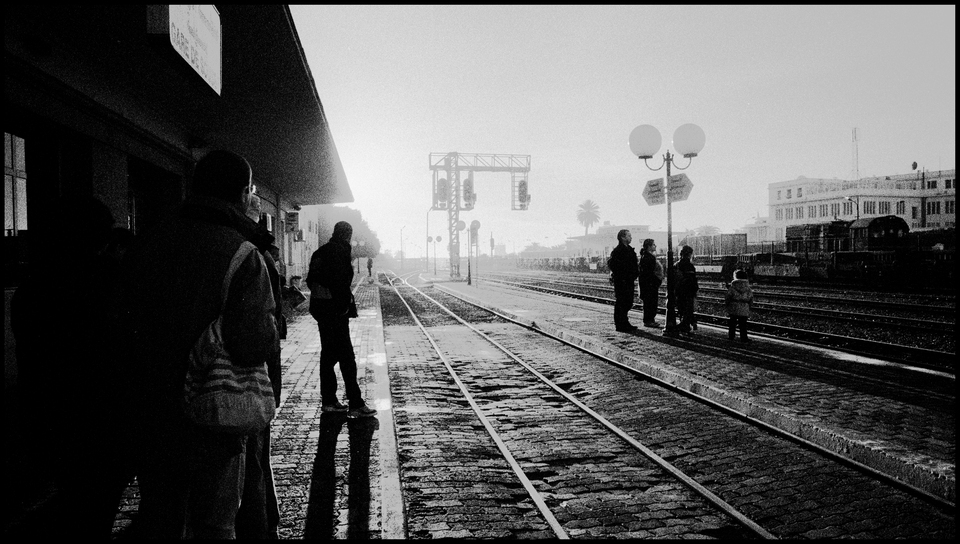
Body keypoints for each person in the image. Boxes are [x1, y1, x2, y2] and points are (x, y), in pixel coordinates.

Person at [114, 149, 278, 538]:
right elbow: (254, 343)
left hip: (150, 405)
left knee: (162, 511)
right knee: (217, 521)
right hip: (215, 408)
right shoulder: (243, 254)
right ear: (243, 193)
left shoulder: (147, 242)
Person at [10, 195, 129, 538]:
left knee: (73, 498)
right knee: (98, 503)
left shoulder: (34, 286)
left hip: (50, 413)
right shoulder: (110, 280)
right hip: (102, 415)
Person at [235, 193, 283, 539]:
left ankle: (263, 519)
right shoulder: (254, 254)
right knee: (253, 456)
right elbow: (265, 333)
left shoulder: (160, 240)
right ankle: (262, 522)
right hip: (246, 381)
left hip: (186, 387)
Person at [307, 221, 377, 417]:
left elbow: (310, 281)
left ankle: (329, 401)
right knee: (347, 358)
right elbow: (341, 282)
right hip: (336, 313)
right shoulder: (340, 252)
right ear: (348, 235)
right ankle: (355, 403)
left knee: (328, 356)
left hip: (321, 310)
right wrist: (343, 306)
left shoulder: (320, 252)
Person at [607, 229, 639, 333]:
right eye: (629, 236)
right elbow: (613, 265)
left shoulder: (629, 249)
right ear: (622, 237)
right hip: (621, 280)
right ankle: (620, 324)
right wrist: (622, 274)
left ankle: (625, 322)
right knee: (622, 302)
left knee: (628, 302)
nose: (631, 237)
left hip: (629, 279)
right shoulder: (618, 251)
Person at [637, 238, 662, 328]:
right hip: (650, 285)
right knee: (650, 303)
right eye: (653, 244)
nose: (655, 246)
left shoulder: (645, 256)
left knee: (648, 303)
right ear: (649, 246)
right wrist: (657, 281)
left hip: (647, 284)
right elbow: (650, 273)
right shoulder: (649, 257)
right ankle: (649, 321)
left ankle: (649, 320)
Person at [675, 245, 699, 334]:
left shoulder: (676, 265)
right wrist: (695, 290)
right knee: (688, 308)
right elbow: (692, 279)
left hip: (679, 290)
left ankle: (686, 324)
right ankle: (686, 325)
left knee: (681, 308)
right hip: (688, 290)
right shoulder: (689, 265)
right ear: (689, 254)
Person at [725, 269, 754, 342]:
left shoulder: (732, 287)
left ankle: (731, 336)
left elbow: (728, 297)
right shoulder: (748, 288)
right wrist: (749, 306)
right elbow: (751, 298)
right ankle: (744, 337)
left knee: (732, 323)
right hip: (744, 306)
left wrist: (727, 305)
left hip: (734, 306)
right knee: (743, 324)